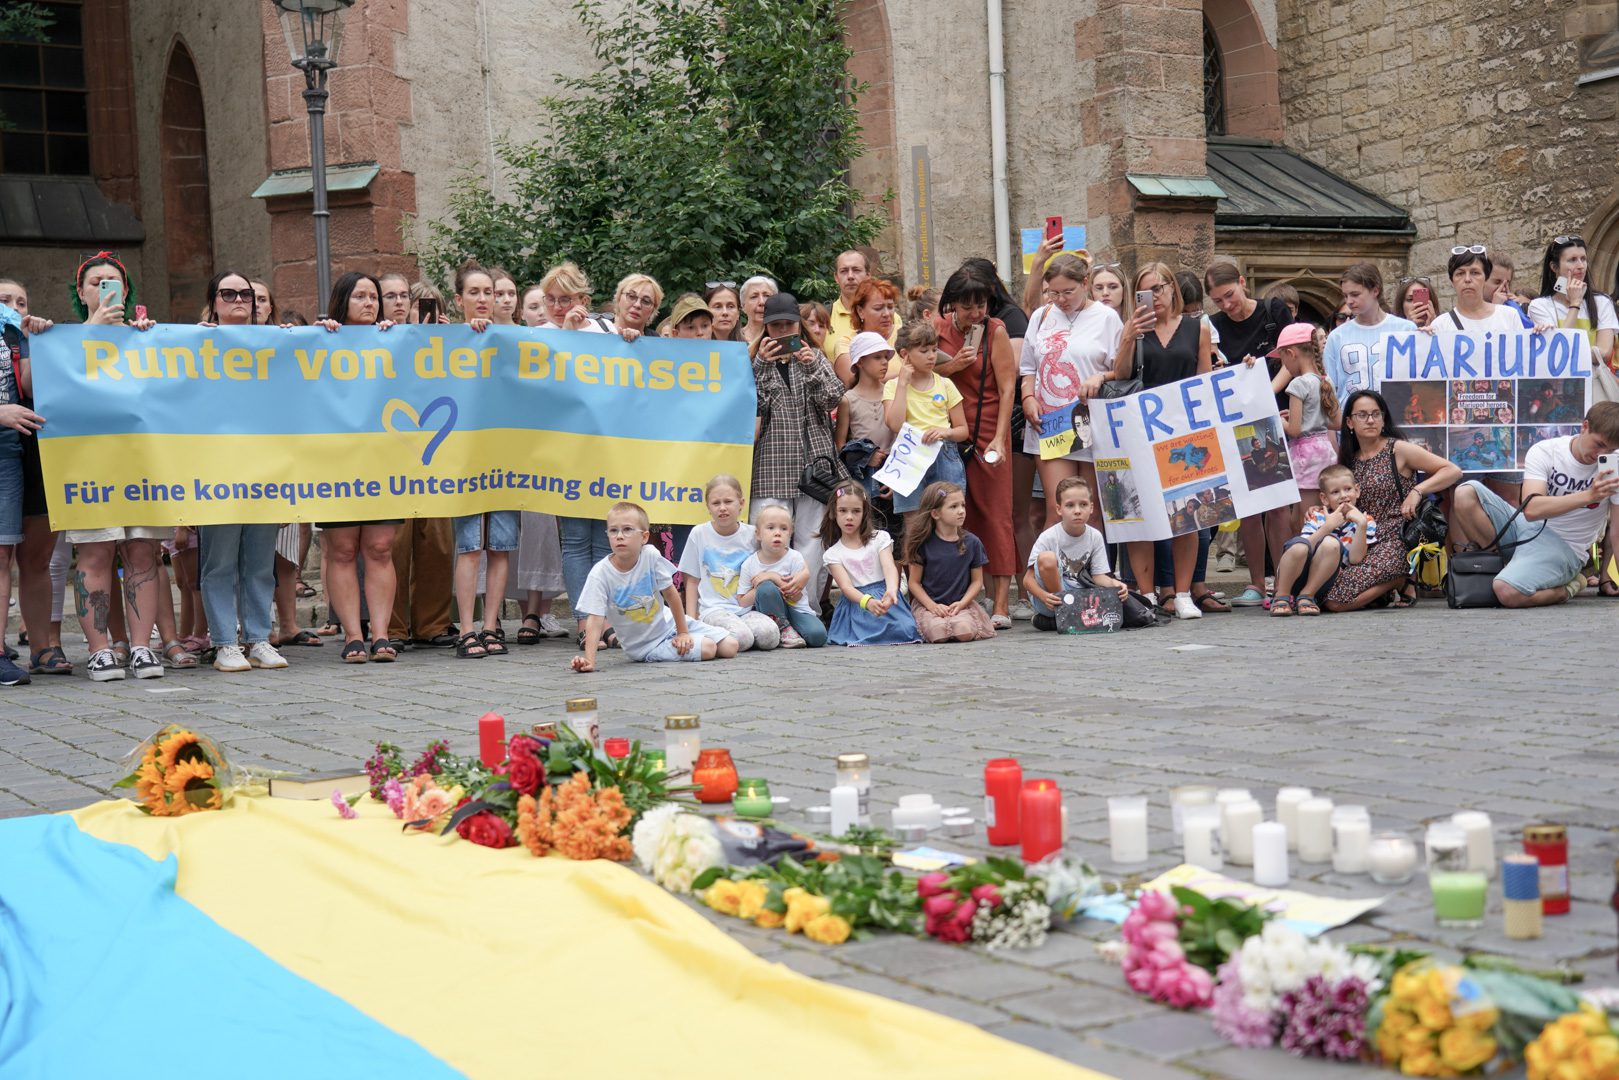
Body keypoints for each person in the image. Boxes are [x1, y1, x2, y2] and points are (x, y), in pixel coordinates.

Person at [60, 253, 168, 681]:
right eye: (95, 281)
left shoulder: (148, 337)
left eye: (113, 281)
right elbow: (55, 384)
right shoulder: (64, 339)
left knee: (143, 550)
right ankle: (100, 648)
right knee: (95, 550)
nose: (105, 287)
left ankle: (142, 647)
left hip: (141, 460)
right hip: (89, 460)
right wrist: (91, 332)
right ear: (81, 292)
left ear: (126, 291)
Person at [195, 271, 288, 673]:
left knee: (259, 560)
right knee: (219, 560)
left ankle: (258, 637)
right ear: (214, 302)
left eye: (245, 294)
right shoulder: (195, 342)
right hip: (216, 468)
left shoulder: (277, 343)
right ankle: (224, 642)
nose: (237, 299)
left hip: (265, 467)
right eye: (227, 293)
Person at [1119, 262, 1218, 619]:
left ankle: (1182, 592)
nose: (1155, 297)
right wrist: (1129, 335)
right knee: (1139, 513)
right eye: (1145, 291)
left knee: (1186, 515)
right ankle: (1146, 594)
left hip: (1183, 432)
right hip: (1139, 432)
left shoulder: (1197, 327)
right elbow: (1120, 375)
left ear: (1173, 289)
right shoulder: (1133, 329)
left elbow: (1203, 379)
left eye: (1160, 288)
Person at [1450, 402, 1619, 606]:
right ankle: (1500, 568)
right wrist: (1588, 496)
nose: (1602, 454)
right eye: (1599, 444)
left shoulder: (1615, 466)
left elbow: (1617, 531)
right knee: (1464, 493)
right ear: (1584, 427)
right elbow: (1531, 510)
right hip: (1527, 526)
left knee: (1507, 592)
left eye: (1611, 450)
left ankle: (1568, 588)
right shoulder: (1548, 450)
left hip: (1565, 548)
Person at [315, 270, 402, 664]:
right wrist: (318, 335)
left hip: (384, 458)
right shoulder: (323, 339)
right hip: (339, 460)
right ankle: (353, 635)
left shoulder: (392, 338)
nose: (370, 303)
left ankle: (381, 635)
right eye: (360, 297)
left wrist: (396, 335)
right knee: (344, 549)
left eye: (374, 297)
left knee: (380, 548)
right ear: (342, 302)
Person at [933, 264, 1017, 626]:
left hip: (986, 429)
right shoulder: (936, 330)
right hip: (948, 430)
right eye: (967, 307)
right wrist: (951, 367)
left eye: (981, 304)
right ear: (952, 305)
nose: (976, 313)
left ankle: (1001, 603)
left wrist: (1000, 437)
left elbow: (1007, 388)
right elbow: (920, 372)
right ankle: (964, 595)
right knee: (955, 512)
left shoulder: (996, 331)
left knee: (996, 514)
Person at [1206, 262, 1293, 609]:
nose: (1226, 305)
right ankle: (1257, 583)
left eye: (1230, 295)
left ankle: (1285, 580)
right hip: (1236, 421)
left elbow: (1293, 358)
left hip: (1276, 414)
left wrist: (1265, 395)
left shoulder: (1274, 311)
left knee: (1277, 506)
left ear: (1243, 283)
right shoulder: (1212, 326)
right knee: (1248, 507)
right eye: (1218, 300)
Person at [748, 291, 845, 601]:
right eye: (775, 327)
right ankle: (770, 607)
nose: (782, 332)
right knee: (765, 540)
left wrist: (812, 367)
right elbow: (750, 406)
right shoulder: (753, 362)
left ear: (799, 326)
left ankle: (808, 607)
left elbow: (832, 399)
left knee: (813, 541)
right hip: (770, 465)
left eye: (788, 325)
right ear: (765, 328)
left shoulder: (815, 357)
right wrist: (761, 365)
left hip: (813, 467)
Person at [1328, 390, 1461, 610]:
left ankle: (1400, 579)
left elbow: (1453, 470)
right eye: (1362, 415)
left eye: (1376, 414)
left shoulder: (1397, 450)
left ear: (1383, 419)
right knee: (1325, 589)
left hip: (1398, 540)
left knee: (1335, 602)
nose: (1370, 420)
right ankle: (1391, 588)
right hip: (1362, 540)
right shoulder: (1348, 459)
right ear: (1350, 422)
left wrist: (1418, 491)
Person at [569, 501, 738, 671]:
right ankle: (687, 644)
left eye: (627, 529)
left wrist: (683, 632)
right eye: (613, 530)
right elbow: (595, 619)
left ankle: (688, 639)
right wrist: (589, 660)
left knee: (730, 646)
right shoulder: (600, 573)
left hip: (669, 624)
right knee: (708, 648)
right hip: (646, 646)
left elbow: (671, 595)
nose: (619, 536)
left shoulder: (650, 555)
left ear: (644, 537)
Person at [1018, 254, 1123, 524]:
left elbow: (1124, 369)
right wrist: (1028, 396)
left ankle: (1095, 567)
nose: (1061, 300)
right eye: (1054, 293)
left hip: (1091, 421)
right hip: (1051, 423)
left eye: (1068, 292)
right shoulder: (1041, 316)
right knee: (1060, 509)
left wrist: (1100, 376)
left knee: (1092, 511)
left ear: (1085, 283)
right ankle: (1054, 567)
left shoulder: (1107, 318)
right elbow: (1028, 367)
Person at [445, 264, 513, 660]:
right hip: (465, 458)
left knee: (500, 545)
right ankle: (466, 628)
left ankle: (491, 626)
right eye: (474, 292)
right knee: (470, 545)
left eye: (488, 291)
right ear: (460, 300)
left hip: (507, 455)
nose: (484, 298)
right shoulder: (447, 340)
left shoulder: (511, 339)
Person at [679, 474, 779, 651]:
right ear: (708, 507)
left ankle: (732, 635)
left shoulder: (753, 534)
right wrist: (691, 622)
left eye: (728, 502)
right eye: (716, 503)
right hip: (713, 610)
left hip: (745, 608)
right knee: (742, 638)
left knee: (770, 635)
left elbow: (776, 560)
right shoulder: (699, 534)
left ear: (741, 503)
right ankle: (714, 634)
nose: (722, 508)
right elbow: (692, 581)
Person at [881, 325, 968, 518]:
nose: (931, 356)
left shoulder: (945, 384)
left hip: (943, 452)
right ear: (905, 354)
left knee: (949, 518)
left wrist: (945, 432)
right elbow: (895, 424)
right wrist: (902, 384)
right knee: (914, 522)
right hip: (909, 456)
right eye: (924, 351)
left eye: (934, 349)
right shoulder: (893, 386)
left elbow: (963, 430)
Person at [1021, 476, 1127, 632]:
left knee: (1115, 607)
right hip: (1051, 599)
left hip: (1081, 599)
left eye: (1083, 505)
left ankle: (1055, 621)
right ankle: (1062, 615)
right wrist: (1044, 596)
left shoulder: (1095, 536)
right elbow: (1027, 580)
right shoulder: (1049, 536)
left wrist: (1115, 584)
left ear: (1091, 508)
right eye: (1070, 505)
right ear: (1059, 509)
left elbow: (1099, 576)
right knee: (1047, 558)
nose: (1077, 511)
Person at [820, 484, 920, 646]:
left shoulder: (880, 539)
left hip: (885, 597)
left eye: (856, 511)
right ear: (833, 512)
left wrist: (892, 590)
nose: (849, 517)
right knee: (866, 631)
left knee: (906, 629)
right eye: (843, 511)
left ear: (864, 512)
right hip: (858, 602)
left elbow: (889, 567)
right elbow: (846, 588)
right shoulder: (833, 554)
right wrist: (867, 602)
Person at [1270, 464, 1375, 617]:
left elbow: (1355, 558)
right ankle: (1282, 595)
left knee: (1331, 543)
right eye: (1335, 492)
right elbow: (1304, 547)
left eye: (1347, 489)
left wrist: (1362, 525)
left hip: (1324, 582)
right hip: (1297, 574)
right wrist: (1327, 527)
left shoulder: (1365, 521)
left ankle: (1307, 596)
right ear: (1324, 498)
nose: (1343, 495)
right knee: (1300, 545)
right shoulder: (1317, 516)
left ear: (1357, 490)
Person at [899, 480, 996, 642]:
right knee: (939, 633)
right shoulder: (922, 544)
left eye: (963, 505)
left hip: (961, 605)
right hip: (930, 606)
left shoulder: (972, 542)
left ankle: (959, 620)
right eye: (953, 507)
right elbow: (914, 583)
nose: (961, 511)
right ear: (935, 513)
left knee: (964, 631)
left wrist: (962, 603)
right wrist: (932, 606)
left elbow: (977, 582)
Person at [1267, 322, 1342, 526]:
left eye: (1282, 359)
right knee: (1317, 515)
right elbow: (1336, 422)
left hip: (1305, 457)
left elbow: (1295, 430)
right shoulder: (1324, 380)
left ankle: (1308, 557)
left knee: (1304, 521)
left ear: (1291, 354)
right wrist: (1304, 416)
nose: (1283, 366)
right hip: (1325, 452)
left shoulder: (1298, 384)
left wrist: (1278, 419)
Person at [1323, 263, 1416, 406]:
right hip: (1350, 421)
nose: (1349, 301)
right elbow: (1330, 389)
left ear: (1375, 290)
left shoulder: (1405, 329)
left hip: (1394, 418)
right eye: (1345, 295)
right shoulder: (1336, 337)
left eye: (1355, 294)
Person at [737, 502, 826, 648]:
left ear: (790, 533)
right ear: (758, 534)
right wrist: (761, 587)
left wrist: (773, 577)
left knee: (818, 637)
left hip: (796, 609)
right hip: (768, 612)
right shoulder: (749, 564)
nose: (777, 533)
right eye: (770, 528)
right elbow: (742, 601)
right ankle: (783, 629)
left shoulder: (795, 558)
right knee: (766, 589)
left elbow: (797, 597)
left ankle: (789, 630)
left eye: (783, 529)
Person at [1527, 236, 1617, 372]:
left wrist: (1570, 352)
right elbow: (1557, 353)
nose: (1580, 266)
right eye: (1572, 260)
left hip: (1595, 384)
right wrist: (1575, 304)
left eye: (1583, 259)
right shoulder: (1539, 306)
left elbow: (1604, 353)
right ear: (1554, 267)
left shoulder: (1602, 302)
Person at [835, 326, 895, 494]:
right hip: (863, 475)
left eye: (886, 357)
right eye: (877, 357)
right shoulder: (848, 399)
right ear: (860, 362)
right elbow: (840, 444)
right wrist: (865, 457)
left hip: (893, 471)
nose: (884, 362)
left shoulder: (893, 392)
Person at [831, 277, 900, 386]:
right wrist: (905, 375)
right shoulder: (847, 344)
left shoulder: (905, 334)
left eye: (890, 307)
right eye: (878, 308)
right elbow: (854, 381)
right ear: (860, 311)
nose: (887, 314)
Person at [828, 250, 895, 352]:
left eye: (856, 270)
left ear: (868, 275)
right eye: (844, 271)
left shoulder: (890, 317)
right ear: (836, 277)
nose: (850, 276)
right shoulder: (824, 318)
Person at [606, 273, 663, 342]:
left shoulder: (656, 342)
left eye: (646, 301)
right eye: (631, 296)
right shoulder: (597, 329)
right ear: (619, 298)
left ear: (653, 309)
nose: (637, 305)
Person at [739, 275, 778, 346]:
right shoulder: (732, 339)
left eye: (767, 296)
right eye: (754, 297)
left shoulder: (781, 338)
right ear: (743, 306)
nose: (762, 302)